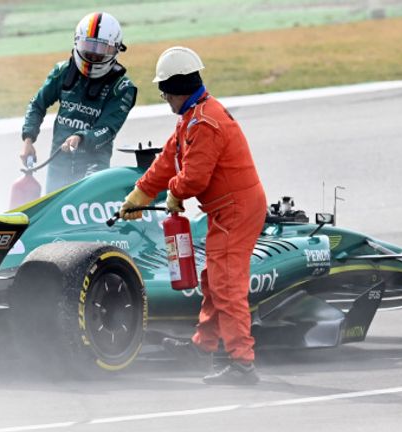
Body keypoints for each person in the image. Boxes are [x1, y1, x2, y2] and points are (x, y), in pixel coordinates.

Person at [119, 46, 267, 385]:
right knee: (214, 282)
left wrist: (173, 193)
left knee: (227, 285)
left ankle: (241, 364)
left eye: (164, 92)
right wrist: (138, 194)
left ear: (176, 88)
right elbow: (168, 158)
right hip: (227, 210)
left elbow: (194, 177)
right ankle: (202, 348)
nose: (164, 99)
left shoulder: (205, 122)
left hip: (236, 210)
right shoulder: (193, 117)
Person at [20, 12, 137, 193]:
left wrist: (80, 137)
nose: (93, 56)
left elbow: (108, 129)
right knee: (53, 214)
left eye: (101, 51)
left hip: (94, 167)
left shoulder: (122, 88)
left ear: (115, 49)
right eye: (89, 48)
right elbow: (37, 104)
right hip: (58, 164)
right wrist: (28, 139)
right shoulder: (63, 71)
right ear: (77, 42)